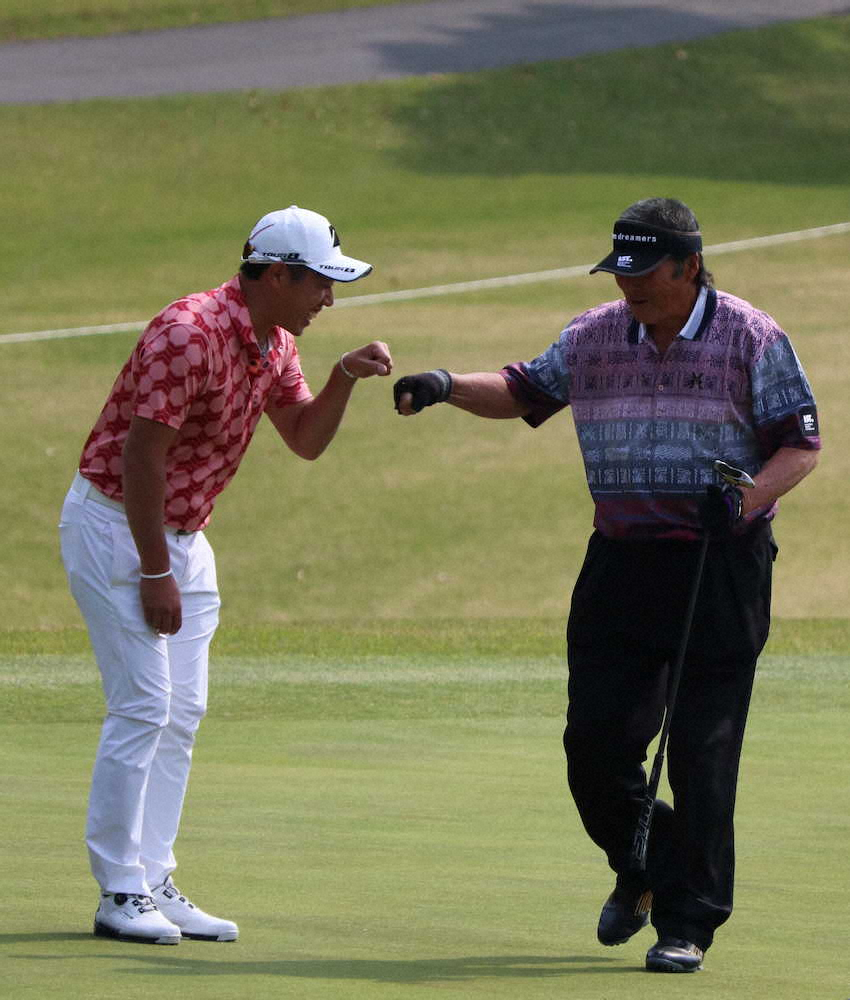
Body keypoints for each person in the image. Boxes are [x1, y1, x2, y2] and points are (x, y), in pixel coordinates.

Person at [392, 198, 820, 973]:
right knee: (593, 750)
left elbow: (800, 443)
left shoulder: (751, 336)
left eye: (644, 270)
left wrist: (747, 497)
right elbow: (525, 389)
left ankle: (688, 922)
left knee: (702, 752)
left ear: (689, 266)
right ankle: (652, 869)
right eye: (619, 270)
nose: (629, 286)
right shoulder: (594, 335)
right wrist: (446, 383)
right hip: (621, 561)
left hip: (716, 563)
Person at [60, 205, 392, 945]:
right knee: (144, 705)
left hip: (183, 535)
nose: (328, 301)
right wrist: (154, 571)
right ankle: (119, 891)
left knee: (183, 713)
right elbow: (139, 458)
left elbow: (305, 438)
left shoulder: (273, 343)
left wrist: (341, 377)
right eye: (319, 285)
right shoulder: (189, 332)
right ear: (277, 275)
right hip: (117, 524)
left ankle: (152, 877)